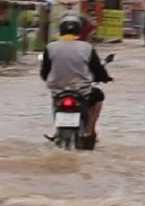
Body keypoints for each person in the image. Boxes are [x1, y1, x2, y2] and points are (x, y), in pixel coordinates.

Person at [41, 14, 112, 146]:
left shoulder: (50, 47)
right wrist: (105, 77)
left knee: (55, 99)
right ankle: (89, 131)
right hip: (82, 91)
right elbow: (97, 69)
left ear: (61, 30)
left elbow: (44, 72)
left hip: (58, 90)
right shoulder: (87, 48)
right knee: (98, 96)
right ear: (79, 30)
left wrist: (51, 80)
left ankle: (57, 130)